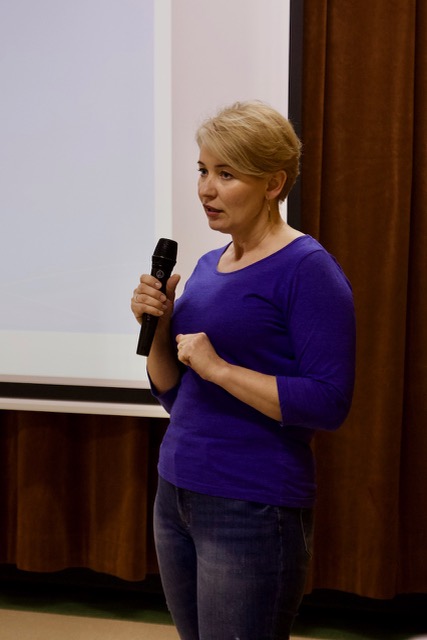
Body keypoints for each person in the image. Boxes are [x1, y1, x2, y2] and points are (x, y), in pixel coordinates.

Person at [131, 101, 356, 640]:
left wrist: (220, 369)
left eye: (226, 174)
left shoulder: (308, 269)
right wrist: (157, 327)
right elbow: (175, 394)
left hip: (252, 504)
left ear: (273, 183)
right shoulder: (208, 266)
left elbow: (329, 402)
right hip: (176, 491)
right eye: (203, 170)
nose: (206, 189)